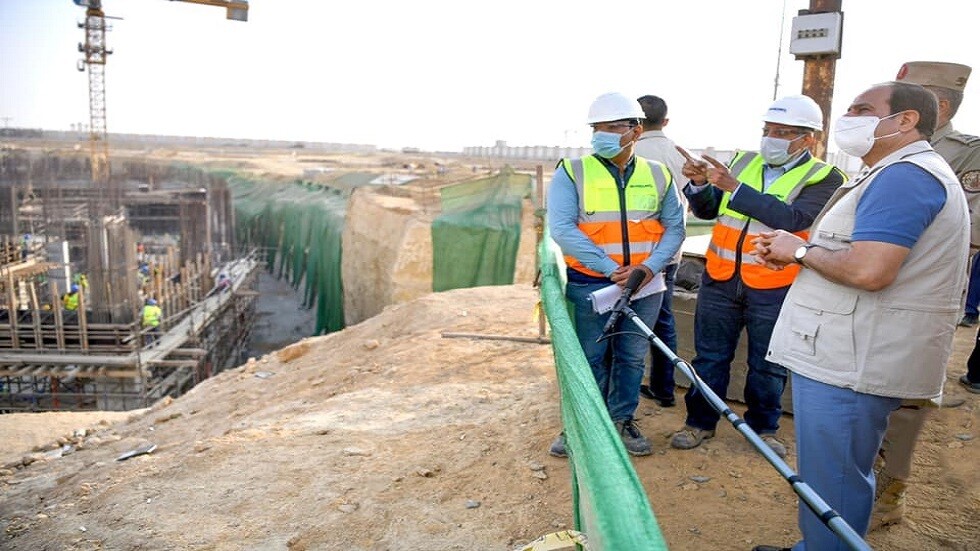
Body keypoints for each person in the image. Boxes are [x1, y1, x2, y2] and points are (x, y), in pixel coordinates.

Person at [751, 80, 969, 551]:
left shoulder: (906, 176)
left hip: (853, 360)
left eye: (862, 109)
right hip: (847, 349)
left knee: (836, 480)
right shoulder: (889, 172)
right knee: (834, 473)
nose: (848, 117)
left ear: (905, 121)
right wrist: (796, 254)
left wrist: (801, 251)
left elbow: (871, 270)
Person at [669, 95, 846, 459]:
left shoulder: (826, 177)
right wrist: (702, 185)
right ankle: (699, 423)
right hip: (720, 278)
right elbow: (708, 210)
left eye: (783, 132)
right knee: (709, 358)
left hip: (775, 285)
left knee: (768, 365)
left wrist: (733, 187)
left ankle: (764, 429)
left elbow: (793, 219)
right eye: (768, 130)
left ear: (808, 138)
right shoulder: (743, 161)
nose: (772, 138)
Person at [867, 61, 980, 530]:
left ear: (939, 105)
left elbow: (968, 233)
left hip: (921, 298)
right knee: (866, 388)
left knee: (906, 400)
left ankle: (888, 495)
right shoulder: (883, 146)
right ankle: (858, 483)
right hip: (868, 288)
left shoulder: (968, 154)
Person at [547, 92, 685, 457]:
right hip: (591, 284)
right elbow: (562, 228)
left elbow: (675, 228)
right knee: (590, 358)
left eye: (612, 127)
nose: (602, 135)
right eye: (597, 128)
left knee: (631, 356)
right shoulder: (572, 171)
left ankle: (621, 418)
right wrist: (611, 270)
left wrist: (647, 268)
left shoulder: (659, 174)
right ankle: (581, 425)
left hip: (646, 285)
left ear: (635, 131)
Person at [634, 94, 689, 408]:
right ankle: (664, 388)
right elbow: (692, 197)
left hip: (622, 255)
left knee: (618, 319)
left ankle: (617, 387)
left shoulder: (625, 152)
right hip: (666, 254)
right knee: (663, 320)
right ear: (665, 122)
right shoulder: (676, 154)